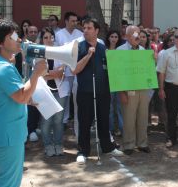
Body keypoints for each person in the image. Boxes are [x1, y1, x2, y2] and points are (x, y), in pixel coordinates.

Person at [0, 19, 48, 187]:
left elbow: (15, 95)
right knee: (8, 180)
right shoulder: (2, 67)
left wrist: (27, 95)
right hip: (7, 132)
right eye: (13, 37)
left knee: (12, 178)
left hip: (9, 129)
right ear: (0, 43)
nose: (19, 39)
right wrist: (37, 73)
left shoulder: (0, 64)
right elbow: (20, 96)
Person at [72, 18, 124, 164]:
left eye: (89, 28)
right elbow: (75, 69)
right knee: (84, 121)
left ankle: (107, 147)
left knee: (103, 120)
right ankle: (83, 151)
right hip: (85, 91)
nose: (86, 31)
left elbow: (112, 70)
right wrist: (88, 55)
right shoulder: (79, 47)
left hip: (103, 91)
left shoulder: (103, 49)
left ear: (96, 31)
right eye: (84, 28)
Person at [117, 25, 151, 155]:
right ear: (126, 36)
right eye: (134, 34)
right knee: (129, 118)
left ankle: (142, 143)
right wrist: (121, 92)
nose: (137, 36)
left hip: (143, 89)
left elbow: (147, 71)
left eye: (138, 33)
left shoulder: (143, 50)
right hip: (128, 89)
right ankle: (128, 145)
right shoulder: (120, 51)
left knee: (143, 117)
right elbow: (117, 74)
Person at [38, 28, 66, 157]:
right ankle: (48, 145)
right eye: (46, 37)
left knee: (58, 120)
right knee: (46, 120)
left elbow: (61, 73)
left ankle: (58, 144)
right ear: (42, 39)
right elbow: (39, 74)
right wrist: (52, 73)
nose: (49, 40)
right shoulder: (37, 53)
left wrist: (48, 74)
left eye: (51, 37)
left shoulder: (60, 52)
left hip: (60, 91)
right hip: (44, 92)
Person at [55, 12, 83, 136]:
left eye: (76, 21)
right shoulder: (59, 34)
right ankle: (65, 120)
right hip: (64, 71)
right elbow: (56, 52)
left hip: (77, 70)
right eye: (72, 21)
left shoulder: (80, 34)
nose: (75, 23)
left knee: (77, 97)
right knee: (64, 96)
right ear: (66, 21)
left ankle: (76, 120)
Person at [105, 30, 124, 137]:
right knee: (110, 108)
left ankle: (122, 129)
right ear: (108, 38)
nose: (113, 38)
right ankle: (111, 130)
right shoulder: (105, 50)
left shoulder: (121, 51)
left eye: (116, 37)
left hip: (120, 82)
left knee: (119, 108)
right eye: (112, 36)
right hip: (108, 82)